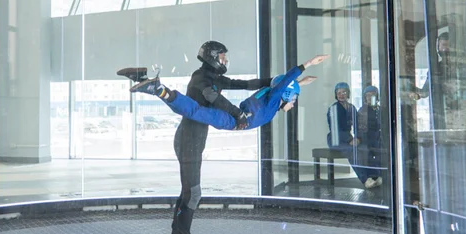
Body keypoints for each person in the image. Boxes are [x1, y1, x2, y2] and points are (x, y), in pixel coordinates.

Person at [118, 41, 270, 234]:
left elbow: (246, 84)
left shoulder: (213, 76)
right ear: (212, 57)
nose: (225, 61)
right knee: (193, 194)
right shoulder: (201, 78)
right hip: (189, 140)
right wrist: (238, 114)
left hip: (193, 140)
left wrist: (275, 82)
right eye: (222, 57)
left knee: (187, 192)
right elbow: (213, 97)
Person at [129, 54, 326, 131]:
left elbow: (282, 86)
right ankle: (158, 89)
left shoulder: (271, 95)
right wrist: (307, 64)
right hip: (233, 120)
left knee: (195, 111)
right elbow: (283, 85)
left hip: (233, 117)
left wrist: (301, 83)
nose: (293, 104)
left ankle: (152, 86)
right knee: (194, 111)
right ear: (286, 95)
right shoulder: (274, 100)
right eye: (294, 99)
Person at [327, 82, 373, 187]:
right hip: (335, 139)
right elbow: (335, 129)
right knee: (352, 151)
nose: (341, 95)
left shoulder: (352, 108)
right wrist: (350, 140)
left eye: (344, 92)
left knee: (364, 148)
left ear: (348, 94)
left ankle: (373, 176)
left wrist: (358, 138)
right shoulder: (333, 108)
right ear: (336, 94)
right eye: (339, 93)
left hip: (349, 139)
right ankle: (365, 179)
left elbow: (357, 126)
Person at [355, 85, 384, 189]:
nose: (370, 97)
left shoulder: (380, 110)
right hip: (367, 138)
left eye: (373, 95)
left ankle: (379, 176)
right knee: (368, 155)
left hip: (379, 138)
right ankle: (370, 178)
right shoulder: (363, 111)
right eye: (368, 95)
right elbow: (361, 129)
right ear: (365, 97)